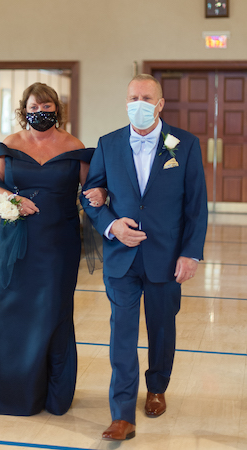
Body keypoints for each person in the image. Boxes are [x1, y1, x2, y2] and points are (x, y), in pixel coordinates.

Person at [81, 74, 208, 440]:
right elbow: (90, 193)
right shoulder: (108, 143)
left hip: (166, 257)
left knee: (162, 330)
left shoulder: (184, 145)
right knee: (122, 333)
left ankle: (156, 387)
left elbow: (196, 206)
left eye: (146, 97)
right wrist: (110, 225)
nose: (138, 102)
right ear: (126, 102)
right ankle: (121, 413)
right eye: (133, 96)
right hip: (121, 256)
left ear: (160, 104)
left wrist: (190, 253)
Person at [0, 82, 105, 416]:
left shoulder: (74, 147)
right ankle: (7, 393)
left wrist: (102, 194)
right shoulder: (10, 145)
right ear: (24, 109)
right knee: (12, 310)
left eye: (46, 108)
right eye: (34, 108)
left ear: (56, 110)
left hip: (59, 243)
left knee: (53, 312)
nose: (40, 113)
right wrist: (7, 197)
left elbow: (91, 189)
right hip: (18, 240)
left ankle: (52, 394)